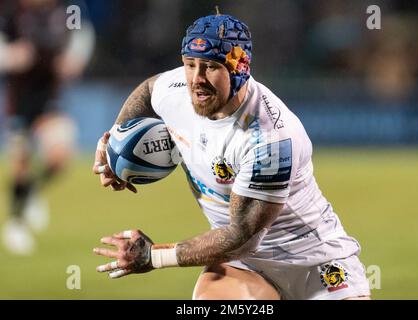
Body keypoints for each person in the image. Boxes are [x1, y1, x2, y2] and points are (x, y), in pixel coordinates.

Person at [93, 12, 371, 300]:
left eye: (210, 67)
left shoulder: (270, 138)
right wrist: (113, 143)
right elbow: (149, 90)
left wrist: (153, 256)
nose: (196, 80)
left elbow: (242, 236)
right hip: (244, 267)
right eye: (189, 65)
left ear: (239, 68)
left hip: (314, 262)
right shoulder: (178, 89)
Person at [0, 0, 95, 255]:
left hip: (49, 97)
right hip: (19, 100)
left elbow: (83, 34)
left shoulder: (66, 9)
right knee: (20, 164)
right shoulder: (10, 11)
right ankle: (15, 224)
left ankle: (32, 191)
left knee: (59, 158)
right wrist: (10, 55)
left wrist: (74, 59)